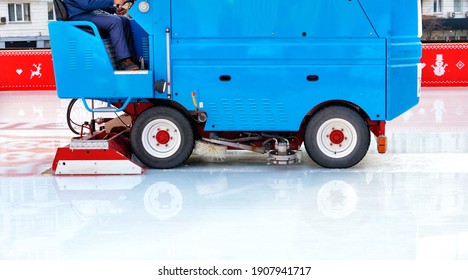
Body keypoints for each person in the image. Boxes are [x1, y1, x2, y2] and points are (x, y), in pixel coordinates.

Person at [63, 0, 139, 70]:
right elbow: (88, 4)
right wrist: (113, 1)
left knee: (124, 20)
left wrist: (113, 9)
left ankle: (131, 58)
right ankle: (123, 60)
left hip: (87, 13)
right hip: (79, 16)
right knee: (115, 22)